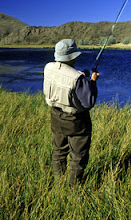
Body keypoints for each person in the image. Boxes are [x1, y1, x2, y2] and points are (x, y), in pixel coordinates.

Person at [43, 39, 100, 187]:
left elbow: (63, 77)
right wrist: (92, 82)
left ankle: (58, 182)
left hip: (55, 115)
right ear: (71, 57)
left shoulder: (48, 67)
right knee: (78, 156)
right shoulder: (78, 78)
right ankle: (73, 187)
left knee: (59, 150)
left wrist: (83, 77)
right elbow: (88, 102)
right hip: (75, 121)